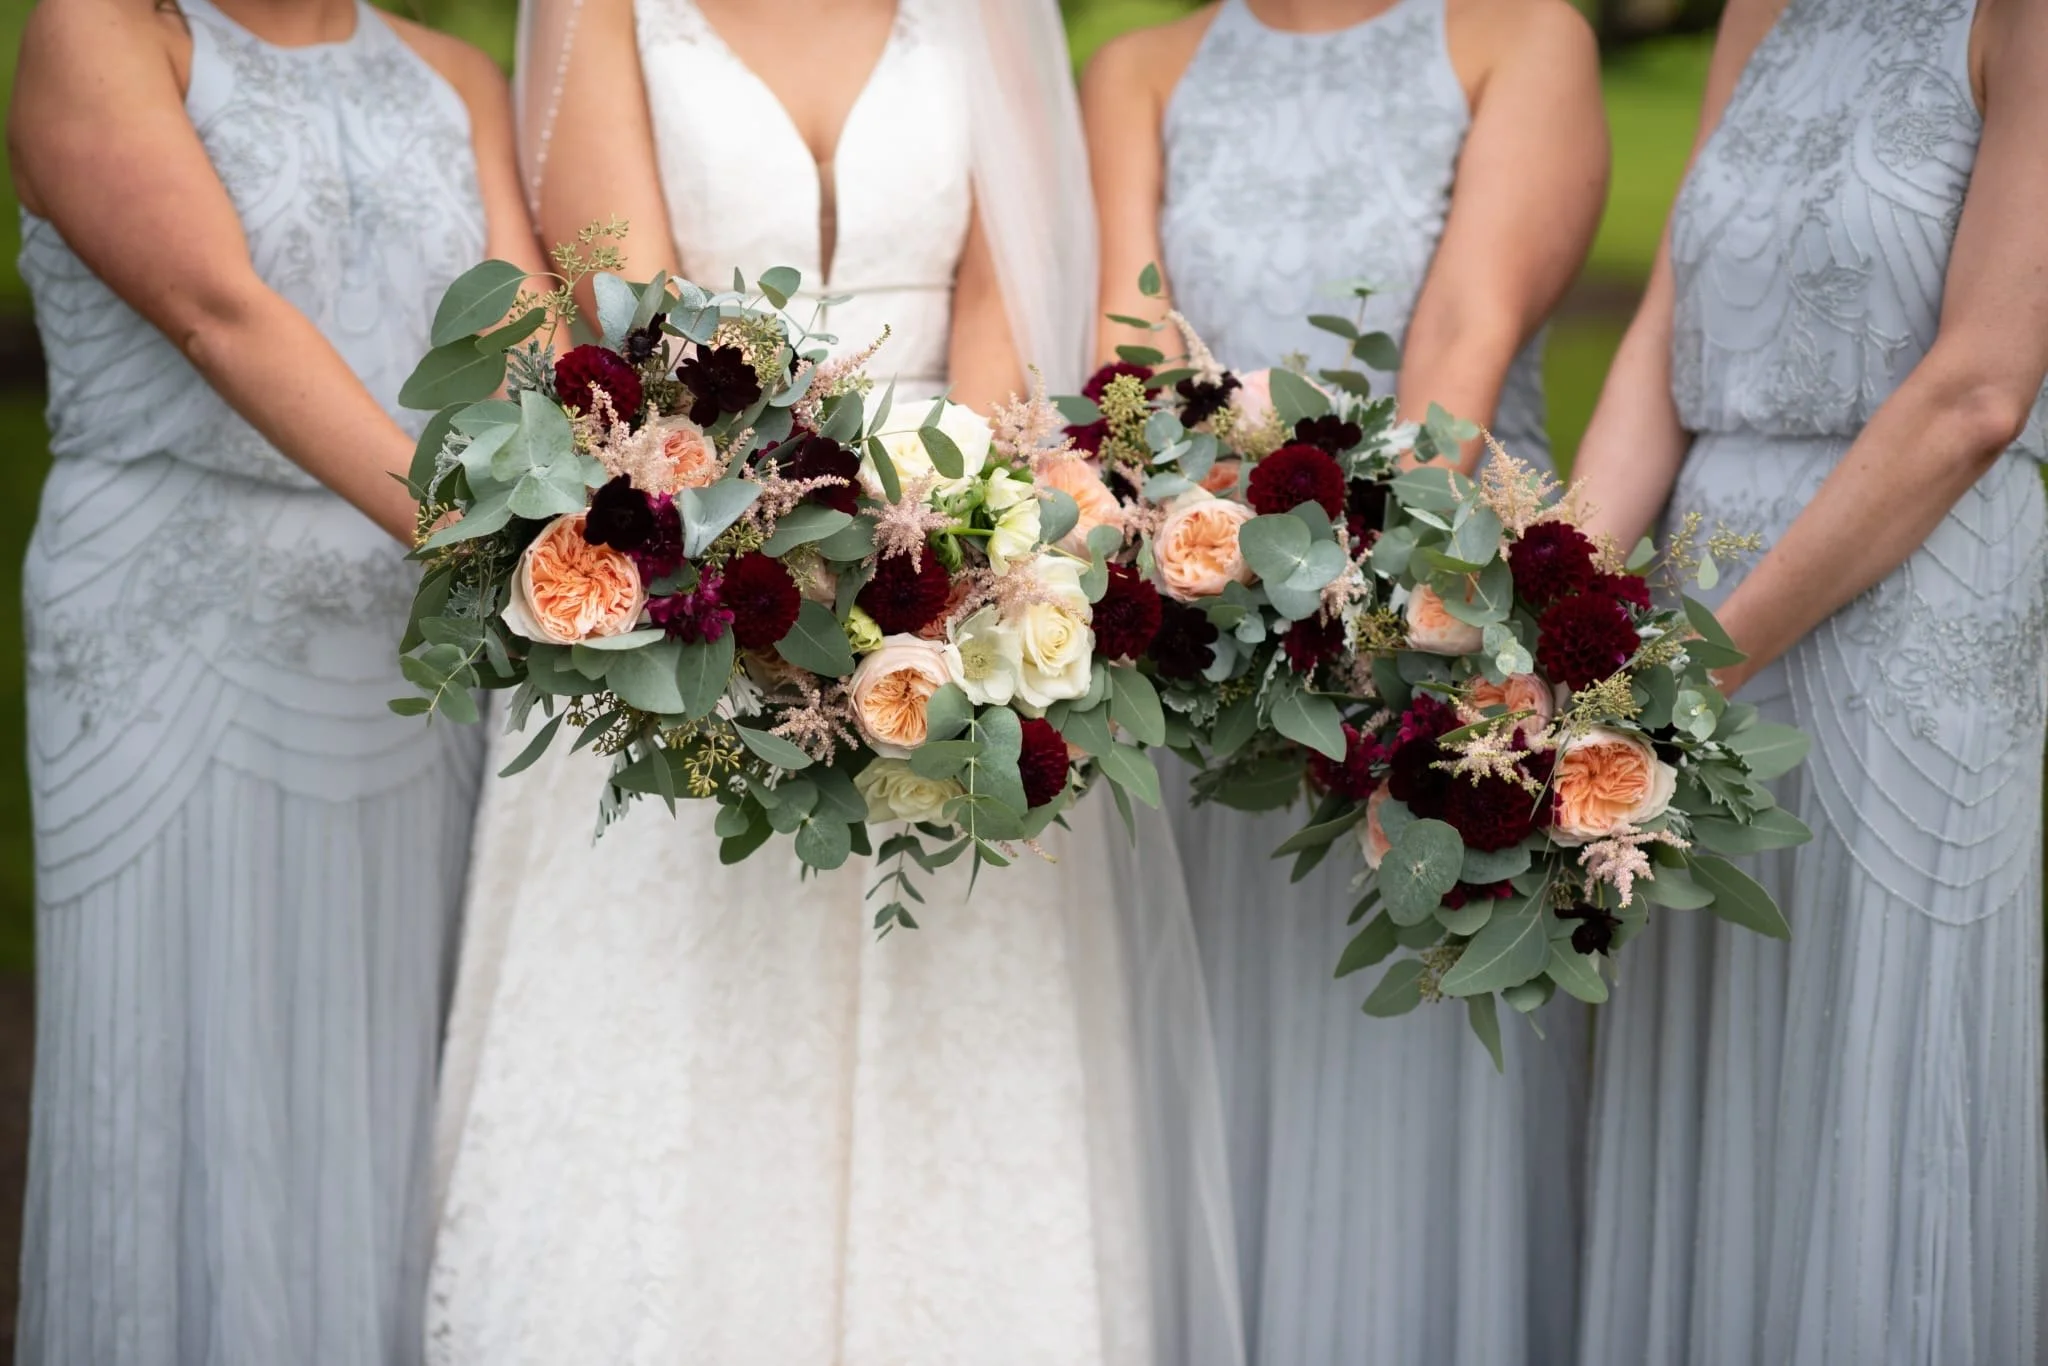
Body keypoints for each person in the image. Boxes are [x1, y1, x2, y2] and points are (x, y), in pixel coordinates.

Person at [426, 2, 1239, 1362]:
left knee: (955, 1060)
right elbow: (620, 309)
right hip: (698, 560)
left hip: (954, 589)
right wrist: (783, 558)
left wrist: (968, 546)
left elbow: (1004, 299)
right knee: (686, 1072)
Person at [6, 0, 535, 1359]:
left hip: (413, 661)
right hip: (175, 639)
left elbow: (529, 351)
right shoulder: (109, 32)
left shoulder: (459, 75)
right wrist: (492, 550)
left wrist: (648, 517)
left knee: (387, 1077)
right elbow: (217, 311)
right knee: (195, 1076)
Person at [1082, 1, 1605, 1360]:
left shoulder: (1521, 36)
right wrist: (1213, 574)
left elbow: (1460, 349)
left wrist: (1345, 598)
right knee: (1209, 1078)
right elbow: (1133, 370)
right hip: (1207, 663)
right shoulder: (1137, 69)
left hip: (1432, 656)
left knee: (1405, 1084)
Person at [1568, 0, 2048, 1361]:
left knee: (1867, 1076)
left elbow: (1981, 394)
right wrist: (1560, 619)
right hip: (1690, 599)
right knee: (1703, 1060)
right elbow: (1665, 335)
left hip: (1906, 603)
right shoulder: (1761, 10)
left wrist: (1685, 669)